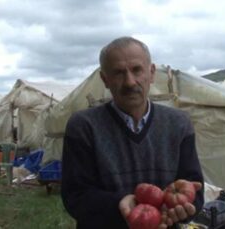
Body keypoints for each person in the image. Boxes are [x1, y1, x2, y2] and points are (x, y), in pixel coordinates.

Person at [61, 36, 204, 228]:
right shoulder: (84, 126)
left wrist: (181, 209)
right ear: (105, 79)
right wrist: (119, 205)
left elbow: (195, 189)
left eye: (137, 70)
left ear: (151, 73)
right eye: (119, 73)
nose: (129, 82)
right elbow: (75, 196)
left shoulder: (179, 124)